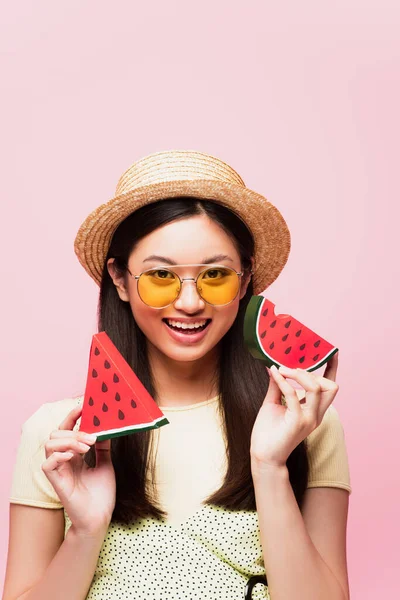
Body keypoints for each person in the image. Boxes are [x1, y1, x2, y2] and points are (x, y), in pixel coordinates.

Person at [3, 150, 352, 600]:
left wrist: (270, 467)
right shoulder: (57, 436)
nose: (190, 303)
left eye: (215, 274)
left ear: (245, 282)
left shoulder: (306, 422)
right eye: (161, 275)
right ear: (120, 280)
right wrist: (85, 532)